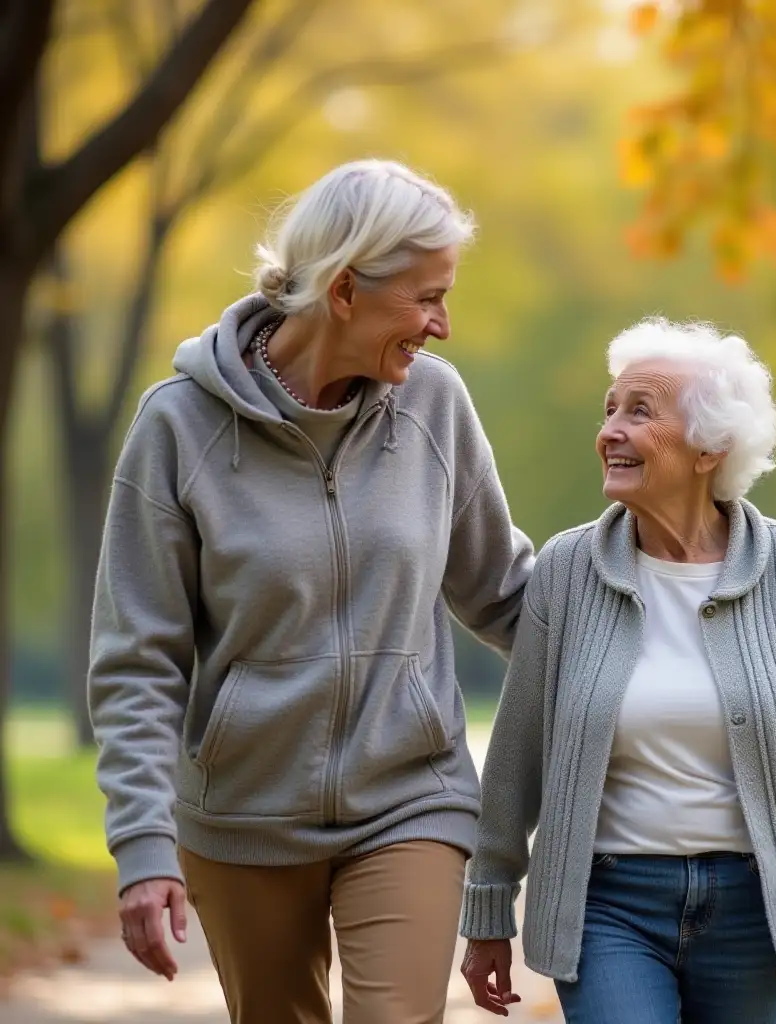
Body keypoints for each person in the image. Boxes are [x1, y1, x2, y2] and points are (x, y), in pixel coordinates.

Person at [89, 159, 534, 1024]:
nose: (441, 325)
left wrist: (646, 637)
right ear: (342, 293)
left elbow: (507, 593)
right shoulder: (178, 427)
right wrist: (144, 846)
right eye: (427, 297)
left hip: (411, 794)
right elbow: (137, 661)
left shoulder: (434, 408)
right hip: (243, 814)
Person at [459, 318, 776, 1023]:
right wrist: (490, 903)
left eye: (639, 411)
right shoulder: (566, 570)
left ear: (711, 446)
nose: (610, 430)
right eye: (610, 409)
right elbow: (517, 756)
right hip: (608, 904)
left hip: (758, 909)